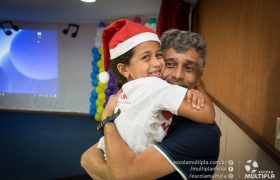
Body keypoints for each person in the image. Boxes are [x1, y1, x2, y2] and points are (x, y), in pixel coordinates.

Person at [81, 27, 221, 180]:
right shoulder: (146, 102)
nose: (178, 75)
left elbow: (123, 175)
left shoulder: (202, 133)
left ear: (198, 76)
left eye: (189, 68)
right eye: (170, 64)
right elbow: (88, 158)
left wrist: (107, 119)